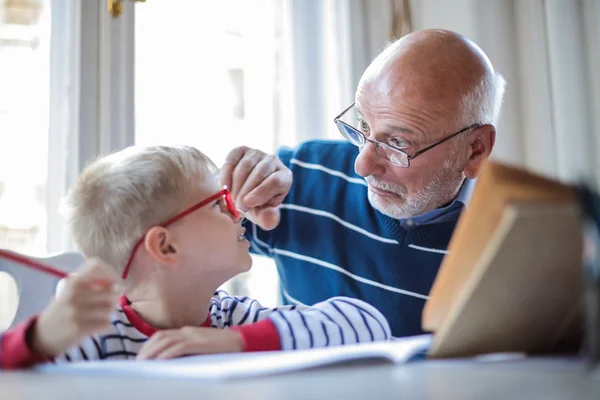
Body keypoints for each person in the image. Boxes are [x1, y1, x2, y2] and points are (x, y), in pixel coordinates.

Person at [219, 29, 506, 337]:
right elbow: (170, 244)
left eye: (398, 142)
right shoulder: (302, 179)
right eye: (363, 126)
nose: (362, 165)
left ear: (475, 150)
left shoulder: (512, 246)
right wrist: (224, 194)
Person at [0, 145, 391, 370]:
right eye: (218, 205)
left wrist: (233, 342)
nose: (238, 211)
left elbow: (367, 323)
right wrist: (42, 338)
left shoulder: (231, 319)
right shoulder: (96, 335)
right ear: (166, 246)